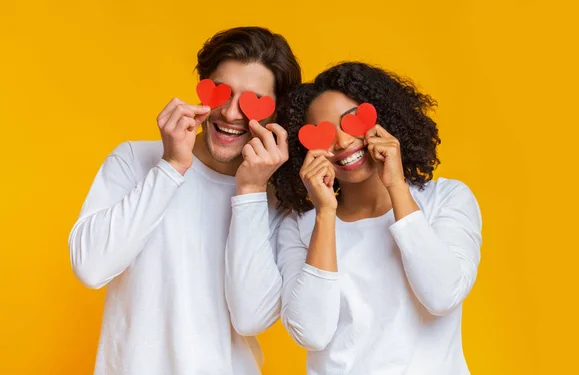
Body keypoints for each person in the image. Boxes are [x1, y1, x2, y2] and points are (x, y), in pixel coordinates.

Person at [68, 26, 301, 375]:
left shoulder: (280, 200)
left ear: (277, 114)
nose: (232, 113)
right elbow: (90, 267)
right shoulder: (134, 160)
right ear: (202, 88)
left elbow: (250, 316)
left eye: (253, 101)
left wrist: (251, 192)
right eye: (222, 91)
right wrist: (172, 167)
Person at [270, 61, 483, 374]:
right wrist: (326, 214)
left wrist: (396, 185)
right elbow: (311, 333)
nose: (342, 142)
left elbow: (442, 295)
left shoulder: (446, 199)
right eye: (325, 134)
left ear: (383, 118)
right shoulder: (301, 225)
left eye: (352, 122)